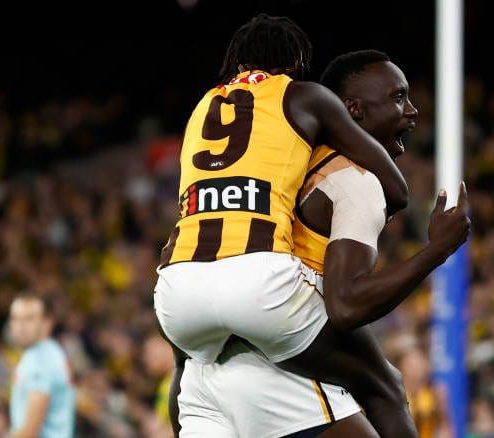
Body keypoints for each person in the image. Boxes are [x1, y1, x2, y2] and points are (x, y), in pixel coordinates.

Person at [167, 49, 471, 438]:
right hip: (277, 371)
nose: (411, 111)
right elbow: (345, 307)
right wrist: (436, 251)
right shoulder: (352, 178)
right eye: (397, 97)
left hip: (201, 371)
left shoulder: (275, 163)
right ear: (353, 110)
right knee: (385, 386)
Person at [7, 293, 75, 438]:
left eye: (29, 319)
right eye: (15, 318)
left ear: (47, 323)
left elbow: (30, 432)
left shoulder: (39, 362)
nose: (21, 326)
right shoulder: (52, 351)